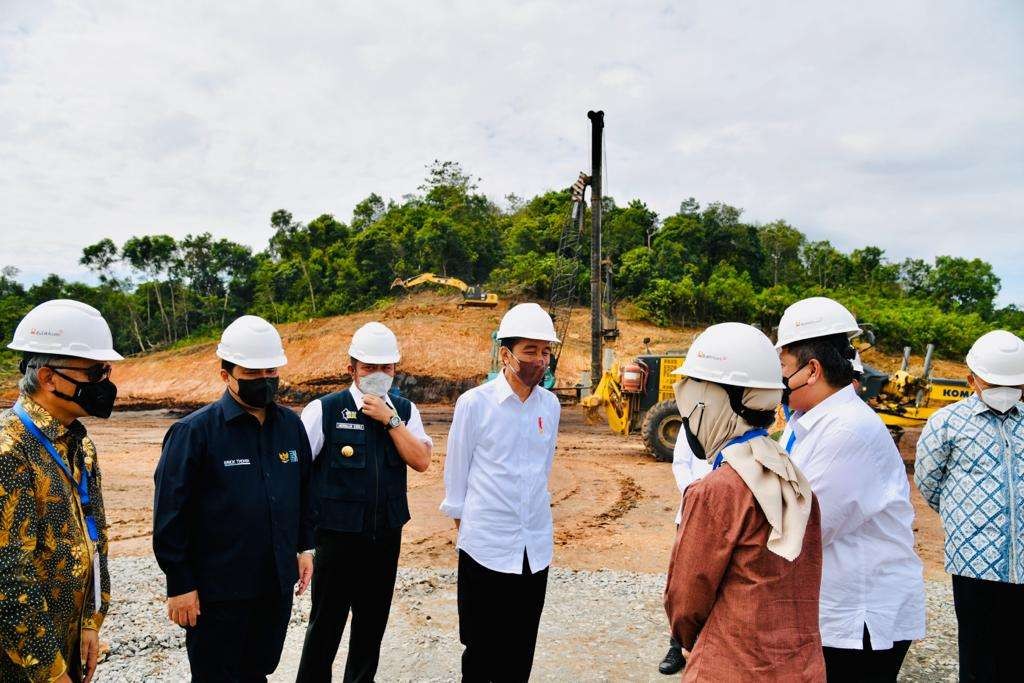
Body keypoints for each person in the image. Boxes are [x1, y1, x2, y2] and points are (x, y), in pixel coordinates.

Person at [152, 315, 314, 682]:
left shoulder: (291, 427)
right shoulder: (193, 433)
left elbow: (304, 491)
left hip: (273, 586)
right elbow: (169, 516)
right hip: (217, 593)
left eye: (270, 371)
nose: (264, 381)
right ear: (225, 375)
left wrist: (305, 547)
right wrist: (179, 585)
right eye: (252, 373)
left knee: (259, 670)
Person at [664, 322, 824, 681]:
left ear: (713, 400)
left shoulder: (717, 489)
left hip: (731, 666)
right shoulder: (791, 475)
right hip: (799, 666)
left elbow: (686, 600)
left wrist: (690, 641)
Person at [777, 297, 925, 682]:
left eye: (783, 367)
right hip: (830, 606)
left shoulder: (846, 431)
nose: (777, 378)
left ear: (812, 370)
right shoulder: (804, 420)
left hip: (857, 616)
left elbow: (800, 527)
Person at [296, 322, 432, 682]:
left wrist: (391, 420)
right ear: (351, 368)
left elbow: (421, 460)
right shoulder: (324, 410)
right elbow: (298, 478)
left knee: (370, 632)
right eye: (369, 367)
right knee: (324, 629)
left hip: (384, 540)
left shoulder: (405, 410)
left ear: (395, 370)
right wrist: (302, 543)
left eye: (385, 367)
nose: (377, 374)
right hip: (336, 540)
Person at [440, 303, 561, 682]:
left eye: (545, 352)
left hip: (534, 549)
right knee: (480, 651)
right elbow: (456, 480)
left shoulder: (551, 406)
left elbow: (542, 471)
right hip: (485, 549)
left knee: (521, 650)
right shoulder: (475, 404)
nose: (539, 361)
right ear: (505, 354)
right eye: (530, 351)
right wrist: (474, 532)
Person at [0, 299, 120, 683]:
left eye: (106, 372)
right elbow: (8, 573)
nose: (104, 384)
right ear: (50, 378)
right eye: (94, 373)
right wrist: (48, 672)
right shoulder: (9, 450)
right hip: (21, 662)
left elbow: (96, 535)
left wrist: (90, 621)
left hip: (67, 639)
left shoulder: (78, 445)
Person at [915, 329, 1024, 682]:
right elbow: (929, 481)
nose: (1006, 391)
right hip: (974, 558)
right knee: (978, 653)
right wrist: (965, 518)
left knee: (1016, 652)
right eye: (994, 382)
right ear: (971, 379)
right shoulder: (947, 423)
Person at [657, 401, 711, 676]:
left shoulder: (741, 417)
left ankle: (707, 648)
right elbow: (681, 463)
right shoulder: (693, 419)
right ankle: (677, 645)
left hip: (726, 516)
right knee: (683, 584)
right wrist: (696, 495)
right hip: (691, 511)